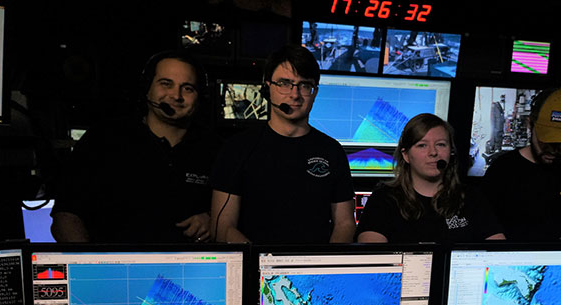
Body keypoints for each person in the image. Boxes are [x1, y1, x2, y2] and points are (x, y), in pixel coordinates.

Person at [51, 50, 219, 243]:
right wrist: (93, 266)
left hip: (189, 269)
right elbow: (65, 219)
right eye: (166, 84)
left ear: (200, 97)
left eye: (187, 88)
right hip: (114, 269)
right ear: (147, 89)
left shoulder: (215, 149)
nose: (176, 95)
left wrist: (213, 220)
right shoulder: (104, 139)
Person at [210, 44, 355, 243]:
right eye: (284, 84)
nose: (294, 95)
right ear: (267, 88)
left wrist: (323, 265)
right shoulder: (238, 149)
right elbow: (222, 226)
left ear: (315, 93)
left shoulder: (332, 151)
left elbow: (345, 224)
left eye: (304, 85)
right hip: (255, 267)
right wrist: (261, 264)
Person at [356, 113, 504, 243]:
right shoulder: (384, 199)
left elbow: (497, 253)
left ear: (450, 152)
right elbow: (373, 258)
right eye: (422, 145)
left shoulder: (471, 198)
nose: (433, 152)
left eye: (441, 144)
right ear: (406, 155)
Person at [482, 87, 561, 241]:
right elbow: (486, 231)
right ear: (530, 125)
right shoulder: (502, 170)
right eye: (546, 140)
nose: (553, 149)